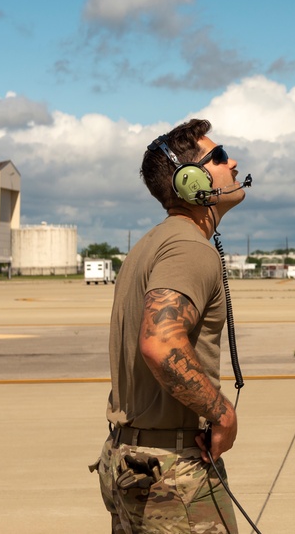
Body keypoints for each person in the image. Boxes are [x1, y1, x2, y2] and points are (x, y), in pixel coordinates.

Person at [91, 118, 247, 533]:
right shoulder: (188, 248)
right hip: (173, 475)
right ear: (191, 180)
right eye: (217, 156)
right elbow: (160, 344)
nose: (232, 162)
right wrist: (222, 413)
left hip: (131, 461)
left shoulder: (150, 244)